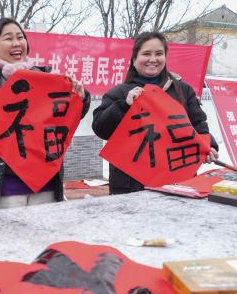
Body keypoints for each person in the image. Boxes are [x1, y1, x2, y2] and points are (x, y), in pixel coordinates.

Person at [0, 17, 91, 213]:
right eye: (8, 38)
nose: (17, 43)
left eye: (20, 37)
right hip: (1, 190)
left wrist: (81, 97)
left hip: (45, 187)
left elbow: (67, 117)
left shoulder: (44, 76)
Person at [92, 31, 218, 195]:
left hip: (176, 180)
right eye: (146, 54)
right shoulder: (119, 93)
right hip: (131, 184)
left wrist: (208, 145)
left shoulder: (183, 90)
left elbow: (198, 124)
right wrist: (124, 105)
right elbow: (100, 128)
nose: (153, 59)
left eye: (159, 54)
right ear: (134, 59)